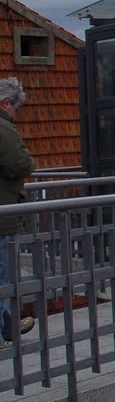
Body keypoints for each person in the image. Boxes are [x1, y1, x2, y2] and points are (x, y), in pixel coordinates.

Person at [0, 77, 36, 346]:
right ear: (6, 103)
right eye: (16, 109)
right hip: (4, 217)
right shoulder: (4, 128)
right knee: (4, 277)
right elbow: (20, 164)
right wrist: (31, 161)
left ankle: (9, 326)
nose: (16, 114)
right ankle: (4, 331)